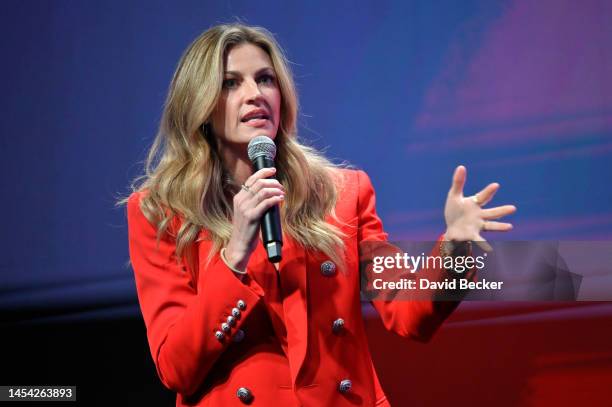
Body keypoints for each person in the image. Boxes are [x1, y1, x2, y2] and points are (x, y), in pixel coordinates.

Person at [124, 23, 516, 406]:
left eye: (265, 79)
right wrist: (234, 256)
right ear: (200, 104)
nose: (254, 94)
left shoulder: (342, 194)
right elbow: (175, 367)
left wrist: (455, 245)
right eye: (231, 83)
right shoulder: (160, 211)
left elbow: (409, 311)